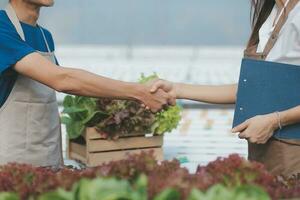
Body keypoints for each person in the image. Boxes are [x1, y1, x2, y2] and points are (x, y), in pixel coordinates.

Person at [0, 0, 174, 168]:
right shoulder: (2, 27)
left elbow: (48, 102)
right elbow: (62, 80)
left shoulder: (45, 37)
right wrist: (140, 92)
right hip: (10, 165)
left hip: (48, 161)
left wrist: (59, 162)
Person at [151, 0, 300, 177]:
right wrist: (176, 89)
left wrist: (275, 121)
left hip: (292, 154)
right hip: (268, 153)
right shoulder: (272, 13)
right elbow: (251, 90)